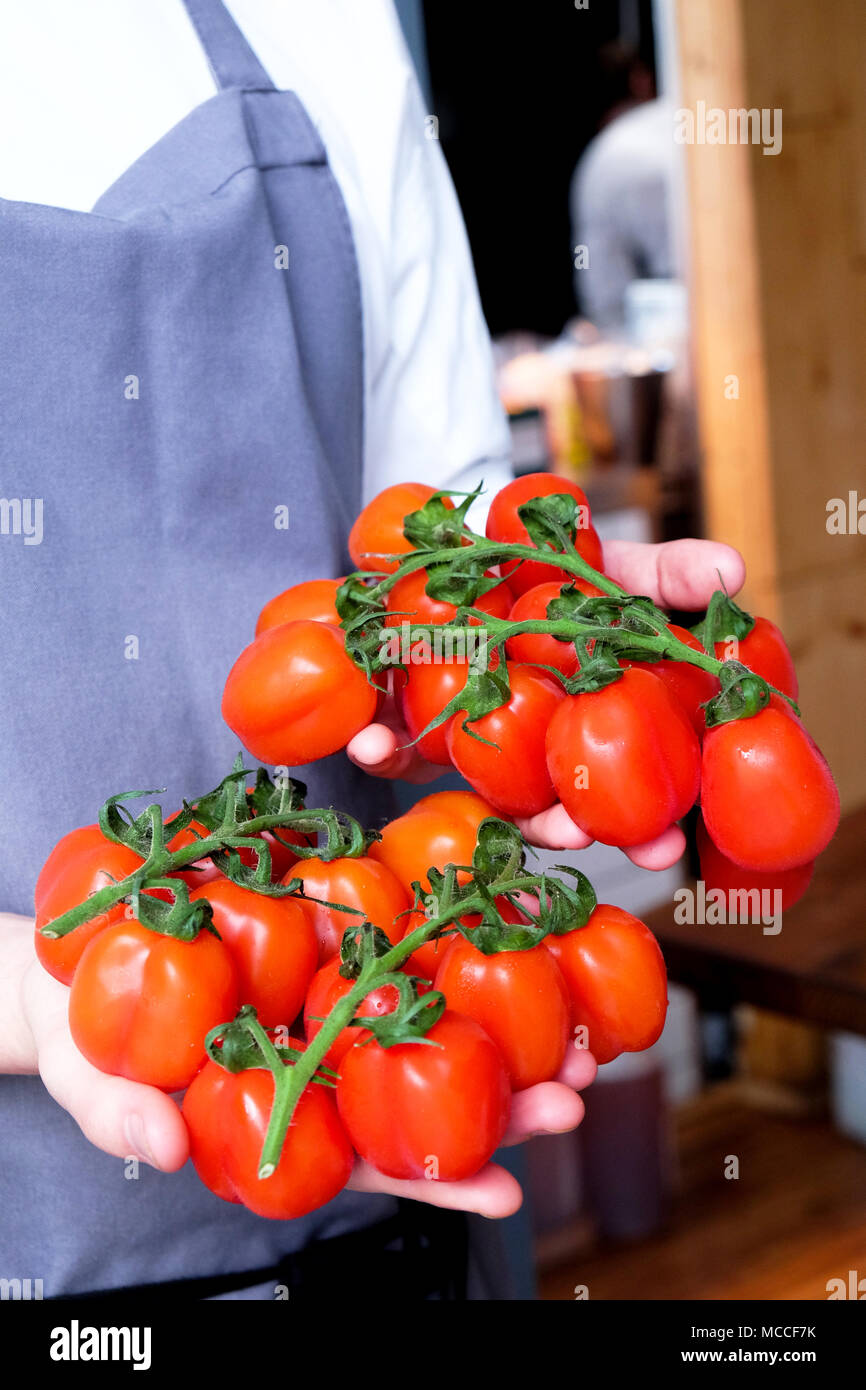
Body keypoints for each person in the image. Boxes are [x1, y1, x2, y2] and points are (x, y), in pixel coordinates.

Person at [0, 0, 744, 1299]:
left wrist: (518, 619)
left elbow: (426, 530)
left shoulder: (324, 22)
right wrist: (25, 999)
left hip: (380, 1154)